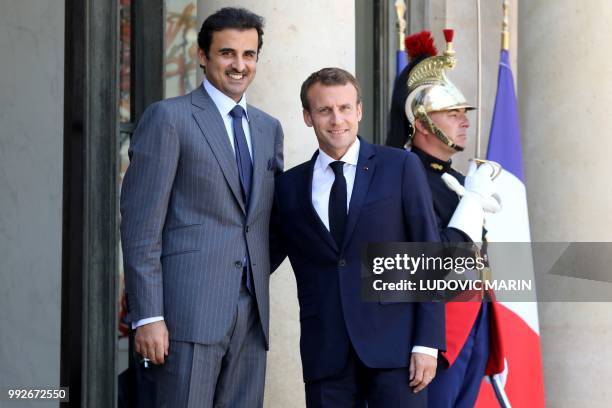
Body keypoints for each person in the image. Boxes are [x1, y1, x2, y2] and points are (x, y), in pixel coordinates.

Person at [120, 7, 284, 407]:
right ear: (202, 56)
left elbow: (265, 221)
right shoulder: (169, 118)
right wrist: (148, 315)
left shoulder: (268, 128)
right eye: (227, 53)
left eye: (249, 55)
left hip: (251, 316)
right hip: (185, 315)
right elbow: (141, 226)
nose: (239, 65)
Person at [271, 67, 444, 407]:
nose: (337, 119)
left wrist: (427, 344)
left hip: (397, 353)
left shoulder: (400, 167)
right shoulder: (288, 187)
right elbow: (259, 258)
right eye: (324, 110)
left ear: (359, 111)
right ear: (308, 117)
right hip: (326, 355)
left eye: (345, 108)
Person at [389, 30, 506, 407]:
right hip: (439, 328)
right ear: (421, 123)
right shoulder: (405, 178)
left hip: (476, 318)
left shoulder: (457, 178)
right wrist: (470, 203)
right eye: (451, 113)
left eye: (463, 113)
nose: (463, 121)